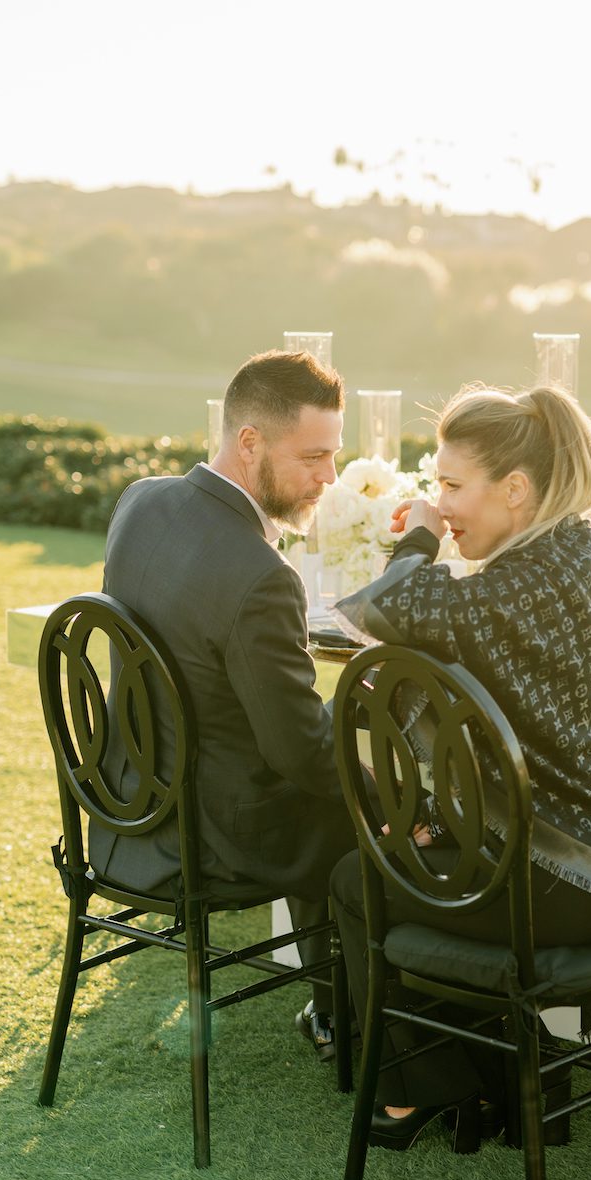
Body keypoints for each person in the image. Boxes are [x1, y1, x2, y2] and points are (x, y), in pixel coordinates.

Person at [330, 382, 591, 1146]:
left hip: (587, 881)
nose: (441, 501)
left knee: (358, 885)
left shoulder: (533, 580)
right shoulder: (556, 562)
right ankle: (512, 1079)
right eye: (437, 486)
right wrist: (437, 818)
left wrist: (419, 536)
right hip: (562, 865)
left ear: (516, 490)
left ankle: (429, 1089)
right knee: (393, 869)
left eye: (453, 485)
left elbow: (388, 612)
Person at [92, 350, 357, 1059]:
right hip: (209, 842)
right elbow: (301, 752)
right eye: (314, 457)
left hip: (125, 809)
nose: (328, 477)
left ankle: (339, 1010)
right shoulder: (261, 577)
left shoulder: (141, 501)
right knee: (360, 806)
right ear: (249, 442)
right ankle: (351, 1021)